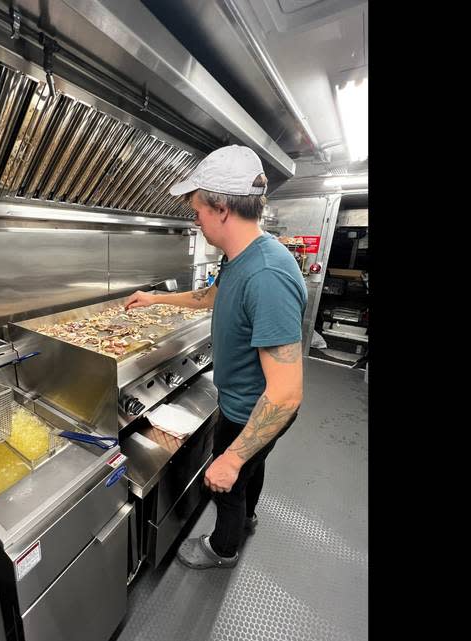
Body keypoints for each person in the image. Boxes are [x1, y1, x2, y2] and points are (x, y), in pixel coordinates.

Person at [124, 145, 306, 569]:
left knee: (229, 485)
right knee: (249, 473)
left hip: (255, 408)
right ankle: (248, 518)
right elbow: (210, 297)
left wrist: (231, 458)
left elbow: (285, 395)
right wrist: (156, 298)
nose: (197, 219)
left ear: (221, 208)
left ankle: (222, 549)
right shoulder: (241, 259)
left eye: (199, 210)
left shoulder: (267, 274)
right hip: (242, 400)